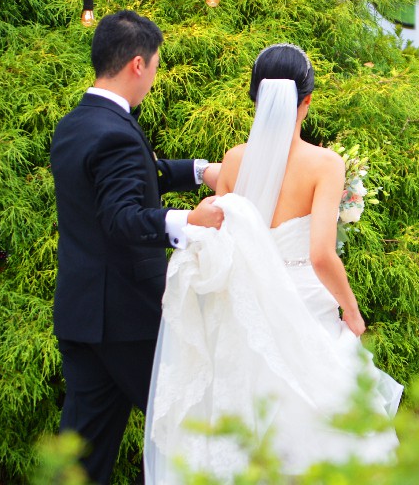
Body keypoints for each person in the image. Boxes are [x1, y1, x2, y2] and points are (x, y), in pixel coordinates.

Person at [143, 43, 402, 484]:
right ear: (307, 100)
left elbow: (221, 243)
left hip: (241, 309)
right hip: (305, 305)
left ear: (255, 97)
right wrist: (352, 310)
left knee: (241, 419)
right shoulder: (325, 164)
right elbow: (321, 254)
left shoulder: (234, 160)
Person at [50, 9, 224, 485]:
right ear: (137, 64)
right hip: (127, 319)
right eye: (156, 65)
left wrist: (198, 170)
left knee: (81, 458)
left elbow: (134, 176)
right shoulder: (114, 132)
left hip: (82, 315)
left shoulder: (76, 124)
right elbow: (120, 216)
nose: (154, 77)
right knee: (186, 429)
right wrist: (189, 220)